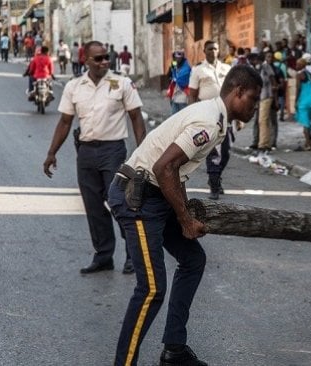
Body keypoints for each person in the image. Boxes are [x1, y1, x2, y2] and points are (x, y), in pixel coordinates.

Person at [109, 64, 262, 366]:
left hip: (156, 195)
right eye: (253, 99)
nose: (255, 107)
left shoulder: (213, 117)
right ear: (238, 92)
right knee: (151, 288)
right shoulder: (209, 122)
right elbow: (164, 168)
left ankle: (174, 350)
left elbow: (173, 171)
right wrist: (184, 219)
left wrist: (185, 210)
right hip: (138, 199)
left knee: (193, 259)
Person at [42, 40, 146, 275]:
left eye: (106, 57)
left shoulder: (121, 83)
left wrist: (143, 152)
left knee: (119, 202)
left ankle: (133, 255)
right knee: (93, 206)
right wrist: (51, 153)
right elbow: (65, 122)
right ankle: (103, 255)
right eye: (98, 58)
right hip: (86, 152)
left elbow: (136, 118)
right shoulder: (75, 86)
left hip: (113, 151)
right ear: (85, 61)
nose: (104, 62)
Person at [188, 40, 232, 200]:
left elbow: (233, 93)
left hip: (225, 114)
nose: (213, 51)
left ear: (219, 50)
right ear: (204, 51)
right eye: (209, 49)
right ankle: (214, 185)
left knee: (226, 151)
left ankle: (216, 177)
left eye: (215, 48)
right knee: (212, 151)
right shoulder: (198, 70)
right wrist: (193, 115)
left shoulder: (227, 68)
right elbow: (192, 94)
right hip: (207, 114)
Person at [294, 58, 311, 151]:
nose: (296, 66)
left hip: (304, 102)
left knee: (305, 124)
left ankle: (308, 144)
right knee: (309, 120)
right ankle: (309, 140)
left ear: (302, 65)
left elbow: (298, 89)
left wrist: (295, 101)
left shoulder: (299, 75)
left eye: (297, 64)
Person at [168, 50, 192, 115]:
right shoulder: (175, 66)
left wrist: (175, 75)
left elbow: (181, 81)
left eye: (179, 56)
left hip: (183, 96)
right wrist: (173, 69)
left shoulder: (186, 68)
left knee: (183, 116)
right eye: (175, 57)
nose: (177, 59)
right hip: (174, 96)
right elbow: (172, 77)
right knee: (174, 116)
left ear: (182, 57)